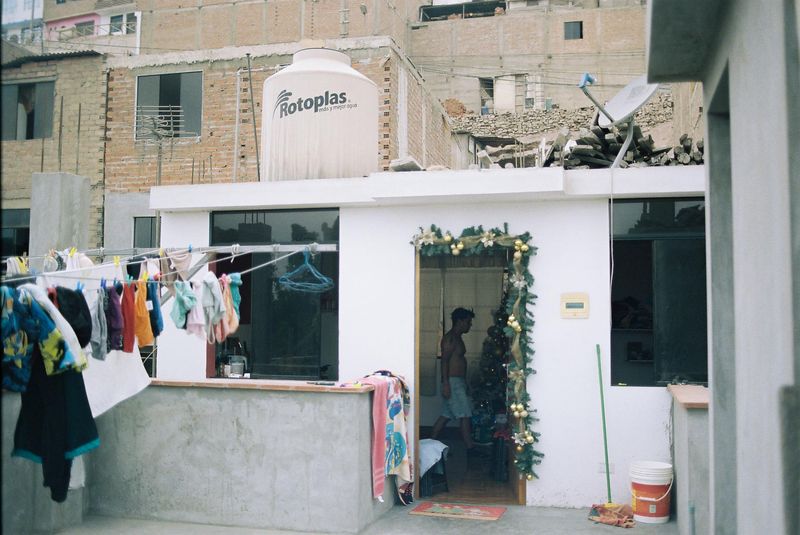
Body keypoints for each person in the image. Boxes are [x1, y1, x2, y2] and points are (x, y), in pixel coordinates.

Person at [430, 307, 487, 455]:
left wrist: (464, 383)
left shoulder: (457, 338)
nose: (470, 325)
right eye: (468, 322)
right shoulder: (450, 339)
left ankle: (428, 443)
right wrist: (446, 384)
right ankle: (470, 448)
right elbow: (444, 361)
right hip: (453, 382)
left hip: (457, 382)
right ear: (460, 321)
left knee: (446, 415)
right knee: (465, 414)